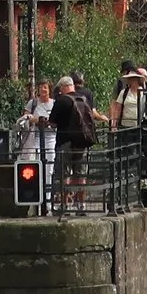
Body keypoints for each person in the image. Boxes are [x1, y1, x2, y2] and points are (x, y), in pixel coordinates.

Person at [49, 75, 95, 207]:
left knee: (65, 174)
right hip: (82, 141)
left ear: (64, 87)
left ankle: (64, 204)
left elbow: (52, 123)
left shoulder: (62, 101)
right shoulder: (84, 99)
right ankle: (81, 204)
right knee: (80, 174)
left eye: (60, 88)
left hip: (65, 142)